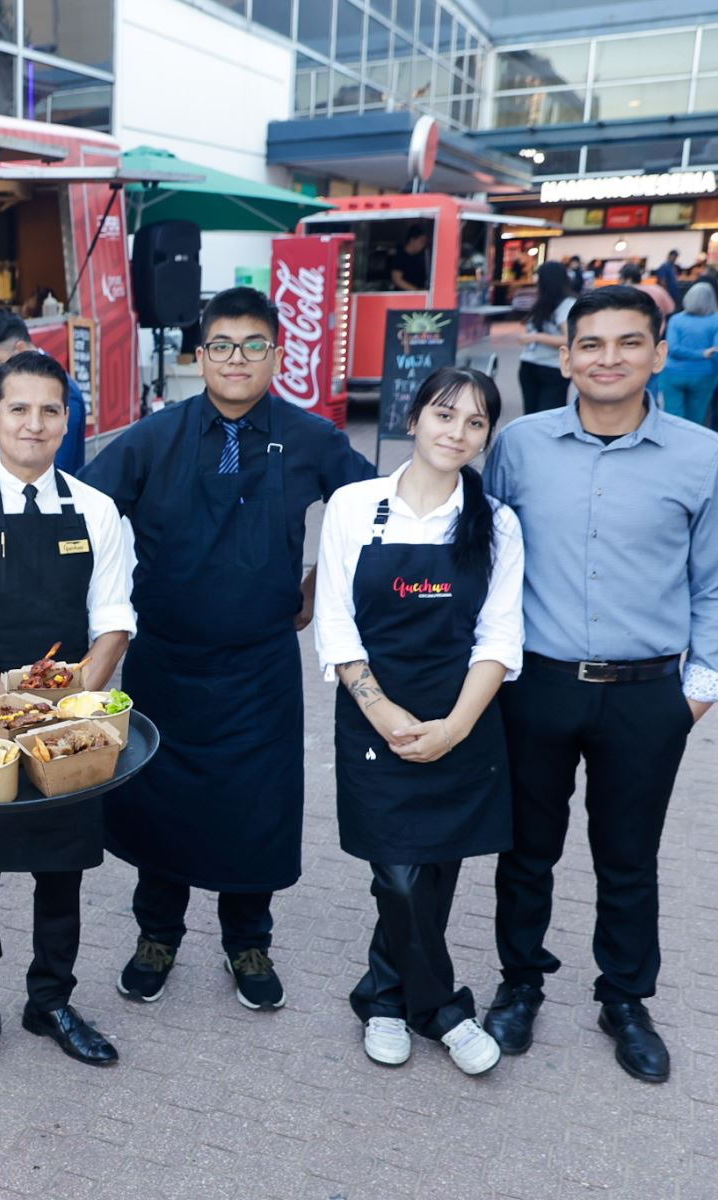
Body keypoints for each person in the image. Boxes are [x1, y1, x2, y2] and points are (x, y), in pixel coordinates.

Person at [81, 287, 374, 1011]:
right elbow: (82, 506)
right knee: (159, 806)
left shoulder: (311, 437)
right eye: (221, 346)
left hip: (261, 666)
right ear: (198, 355)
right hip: (167, 663)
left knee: (257, 809)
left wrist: (319, 582)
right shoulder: (156, 436)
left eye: (252, 346)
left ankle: (249, 942)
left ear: (277, 355)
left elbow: (373, 510)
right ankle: (157, 935)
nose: (236, 359)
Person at [481, 285, 718, 1086]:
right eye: (590, 344)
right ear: (565, 353)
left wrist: (697, 693)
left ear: (659, 352)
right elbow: (486, 559)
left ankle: (624, 997)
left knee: (628, 856)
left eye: (627, 343)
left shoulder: (702, 455)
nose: (607, 359)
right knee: (526, 850)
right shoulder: (518, 445)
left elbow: (714, 584)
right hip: (536, 684)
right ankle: (520, 984)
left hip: (649, 694)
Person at [0, 350, 135, 1080]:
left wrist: (72, 709)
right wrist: (14, 711)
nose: (34, 424)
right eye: (19, 408)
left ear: (67, 419)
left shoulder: (97, 509)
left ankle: (49, 999)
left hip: (69, 726)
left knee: (63, 868)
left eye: (50, 410)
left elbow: (113, 621)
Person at [314, 366, 523, 1077]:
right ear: (413, 419)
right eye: (444, 415)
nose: (456, 433)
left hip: (463, 717)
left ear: (486, 437)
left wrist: (455, 727)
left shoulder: (496, 523)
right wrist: (384, 711)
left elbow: (499, 638)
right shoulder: (354, 506)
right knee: (397, 877)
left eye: (474, 423)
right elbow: (336, 625)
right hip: (376, 720)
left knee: (434, 874)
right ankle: (444, 1009)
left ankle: (382, 997)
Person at [0, 309, 87, 485]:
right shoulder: (7, 383)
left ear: (21, 349)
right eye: (18, 410)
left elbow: (54, 473)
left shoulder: (65, 393)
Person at [516, 261, 574, 416]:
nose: (536, 282)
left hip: (553, 368)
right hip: (529, 364)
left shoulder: (567, 305)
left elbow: (570, 339)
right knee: (530, 417)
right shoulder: (543, 302)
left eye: (539, 278)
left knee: (548, 418)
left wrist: (536, 337)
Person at [659, 281, 718, 425]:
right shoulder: (716, 320)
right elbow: (715, 352)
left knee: (672, 419)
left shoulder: (676, 320)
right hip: (704, 375)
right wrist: (702, 354)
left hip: (672, 374)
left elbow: (672, 348)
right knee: (696, 420)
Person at [389, 224, 431, 293]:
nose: (423, 245)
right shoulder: (400, 257)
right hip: (403, 298)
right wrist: (417, 291)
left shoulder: (419, 257)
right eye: (421, 241)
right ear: (412, 240)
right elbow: (396, 279)